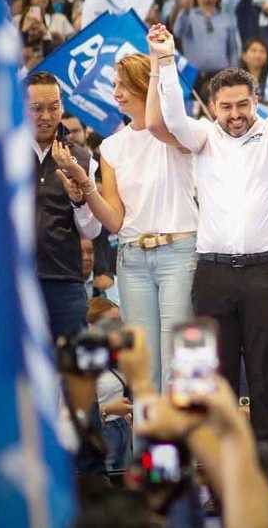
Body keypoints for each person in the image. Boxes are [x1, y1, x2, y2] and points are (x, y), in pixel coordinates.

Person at [155, 5, 268, 447]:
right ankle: (218, 464)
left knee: (264, 374)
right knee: (215, 377)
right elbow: (172, 119)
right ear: (214, 107)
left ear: (255, 101)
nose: (235, 114)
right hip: (214, 273)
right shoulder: (202, 137)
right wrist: (164, 61)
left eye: (243, 104)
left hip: (265, 272)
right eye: (226, 107)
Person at [54, 44, 201, 393]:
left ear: (143, 86)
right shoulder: (111, 147)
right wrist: (84, 182)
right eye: (115, 84)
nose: (116, 92)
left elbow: (156, 121)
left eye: (122, 84)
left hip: (179, 253)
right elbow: (115, 221)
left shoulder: (175, 133)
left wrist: (158, 63)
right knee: (144, 371)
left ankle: (177, 447)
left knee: (175, 365)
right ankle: (146, 448)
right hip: (132, 258)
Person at [26, 72, 101, 341]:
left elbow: (92, 230)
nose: (46, 116)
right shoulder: (3, 154)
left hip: (64, 282)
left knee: (72, 375)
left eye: (53, 107)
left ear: (62, 106)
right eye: (36, 109)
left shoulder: (81, 158)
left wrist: (79, 200)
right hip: (12, 282)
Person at [87, 298, 132, 473]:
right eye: (111, 323)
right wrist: (107, 409)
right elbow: (67, 415)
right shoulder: (82, 362)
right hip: (100, 431)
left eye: (119, 322)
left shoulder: (117, 357)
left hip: (122, 428)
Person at [173, 0, 242, 82]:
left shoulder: (226, 18)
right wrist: (185, 8)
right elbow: (177, 32)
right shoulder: (187, 15)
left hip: (221, 75)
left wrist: (234, 75)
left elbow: (233, 50)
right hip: (194, 77)